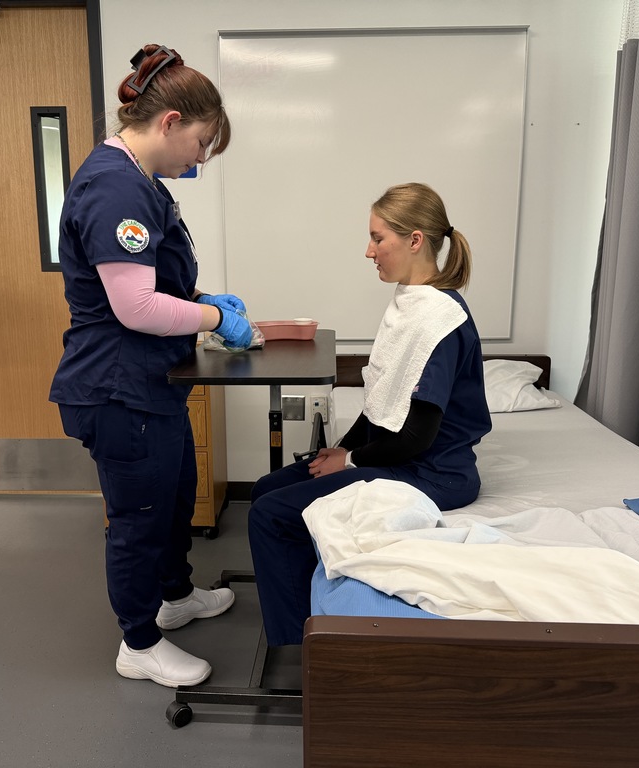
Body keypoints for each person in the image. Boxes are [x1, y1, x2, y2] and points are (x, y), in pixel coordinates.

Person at [50, 44, 252, 688]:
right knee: (139, 519)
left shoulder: (138, 182)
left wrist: (198, 300)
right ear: (168, 122)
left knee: (172, 500)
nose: (199, 159)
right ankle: (138, 642)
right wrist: (216, 320)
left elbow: (152, 284)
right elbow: (134, 307)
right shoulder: (116, 188)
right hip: (117, 387)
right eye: (199, 143)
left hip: (147, 383)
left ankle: (174, 596)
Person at [248, 182, 492, 646]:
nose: (369, 250)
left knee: (269, 516)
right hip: (400, 457)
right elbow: (382, 401)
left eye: (378, 238)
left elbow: (418, 435)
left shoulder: (438, 320)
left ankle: (303, 648)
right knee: (264, 488)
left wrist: (352, 463)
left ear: (415, 240)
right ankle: (301, 601)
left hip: (434, 472)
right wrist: (341, 449)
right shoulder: (409, 303)